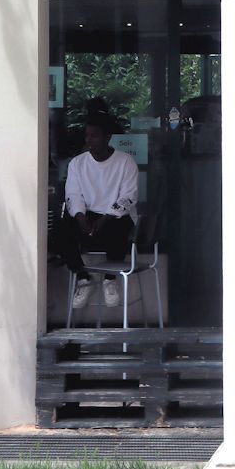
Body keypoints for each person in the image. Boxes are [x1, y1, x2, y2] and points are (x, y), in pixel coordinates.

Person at [59, 100, 138, 311]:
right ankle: (83, 278)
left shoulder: (125, 162)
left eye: (94, 135)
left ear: (107, 137)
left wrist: (106, 217)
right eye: (87, 135)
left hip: (113, 218)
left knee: (120, 226)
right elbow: (73, 194)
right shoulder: (78, 163)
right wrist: (80, 217)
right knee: (61, 231)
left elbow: (128, 196)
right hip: (88, 217)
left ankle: (109, 280)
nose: (89, 140)